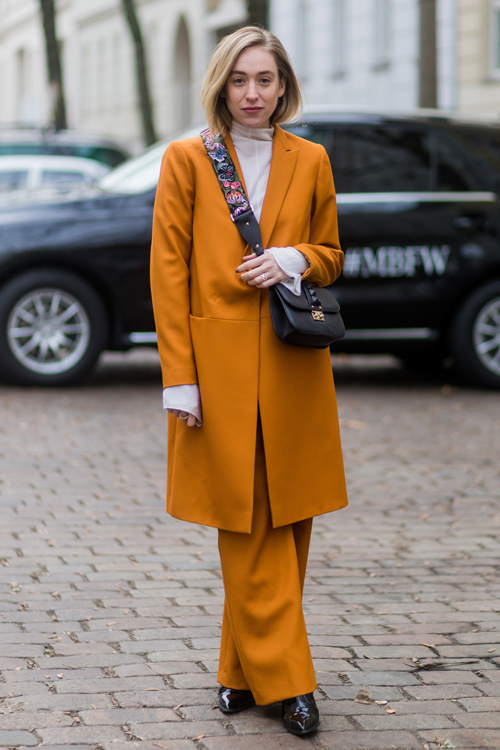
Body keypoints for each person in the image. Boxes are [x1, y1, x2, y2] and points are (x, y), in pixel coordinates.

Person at [150, 26, 348, 736]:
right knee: (246, 521)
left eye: (265, 79)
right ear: (220, 85)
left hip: (294, 368)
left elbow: (330, 254)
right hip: (217, 372)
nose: (253, 93)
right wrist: (181, 379)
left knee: (288, 520)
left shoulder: (312, 158)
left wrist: (292, 258)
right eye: (240, 80)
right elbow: (167, 273)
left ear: (284, 84)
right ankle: (290, 682)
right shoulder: (186, 158)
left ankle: (241, 670)